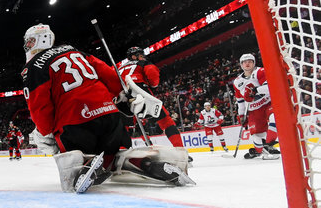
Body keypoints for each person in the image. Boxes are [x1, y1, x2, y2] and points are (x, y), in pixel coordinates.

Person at [21, 24, 194, 193]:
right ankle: (145, 164)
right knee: (115, 156)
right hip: (110, 115)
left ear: (39, 40)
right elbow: (109, 75)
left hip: (75, 121)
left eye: (29, 42)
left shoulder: (33, 66)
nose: (27, 46)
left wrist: (45, 131)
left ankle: (85, 165)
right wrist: (121, 94)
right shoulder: (75, 51)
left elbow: (39, 105)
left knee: (64, 151)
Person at [119, 47, 189, 161]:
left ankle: (121, 156)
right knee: (165, 121)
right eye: (140, 54)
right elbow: (153, 77)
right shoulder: (143, 63)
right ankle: (180, 151)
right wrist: (153, 83)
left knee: (122, 127)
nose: (143, 56)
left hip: (121, 95)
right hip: (140, 91)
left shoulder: (119, 68)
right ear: (133, 56)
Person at [233, 53, 280, 159]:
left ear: (254, 63)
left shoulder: (260, 72)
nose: (247, 64)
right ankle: (259, 150)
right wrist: (241, 116)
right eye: (244, 62)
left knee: (275, 117)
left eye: (250, 61)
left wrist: (255, 90)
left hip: (267, 103)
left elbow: (269, 88)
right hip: (253, 110)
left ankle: (269, 144)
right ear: (241, 65)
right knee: (256, 135)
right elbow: (240, 101)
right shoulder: (237, 82)